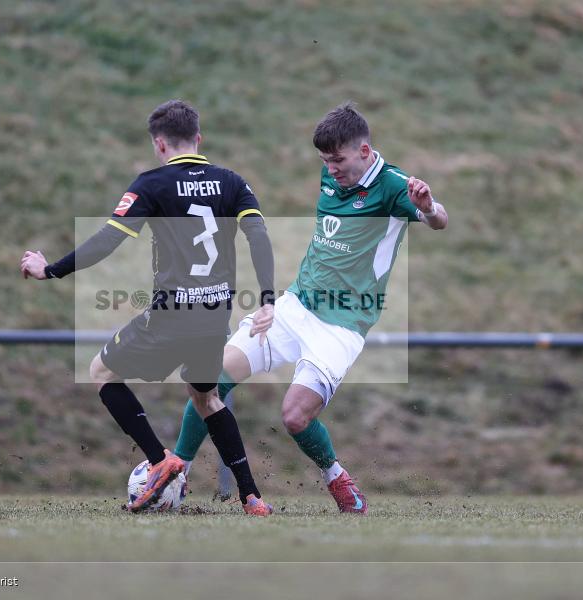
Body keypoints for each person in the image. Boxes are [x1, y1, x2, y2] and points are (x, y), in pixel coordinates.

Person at [172, 101, 448, 514]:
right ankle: (176, 472)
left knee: (295, 417)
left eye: (338, 160)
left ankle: (336, 477)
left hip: (342, 325)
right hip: (296, 305)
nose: (331, 168)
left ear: (365, 152)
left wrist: (426, 207)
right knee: (207, 380)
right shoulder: (330, 173)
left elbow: (439, 220)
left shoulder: (394, 186)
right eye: (325, 160)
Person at [21, 100, 276, 516]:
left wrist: (50, 270)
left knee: (101, 372)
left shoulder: (152, 184)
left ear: (160, 144)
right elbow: (259, 236)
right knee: (207, 399)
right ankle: (252, 497)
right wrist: (267, 299)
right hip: (214, 319)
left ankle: (161, 461)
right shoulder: (233, 182)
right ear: (199, 137)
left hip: (170, 316)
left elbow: (107, 239)